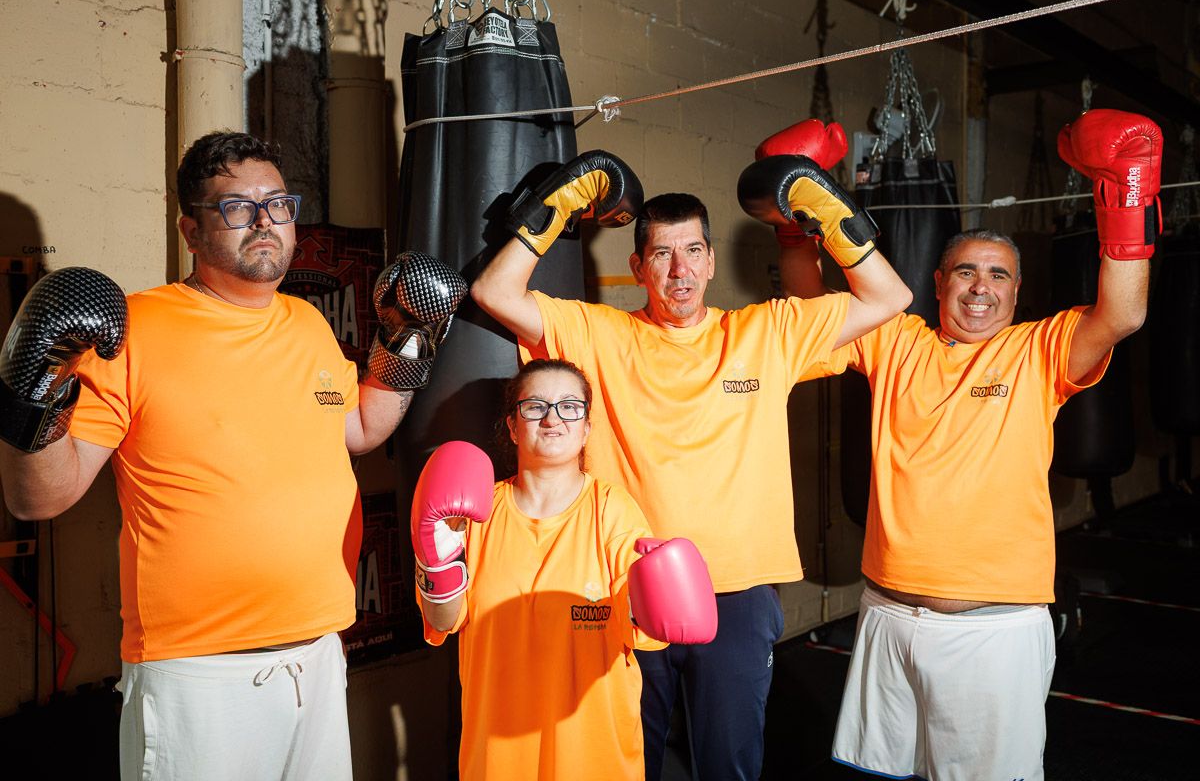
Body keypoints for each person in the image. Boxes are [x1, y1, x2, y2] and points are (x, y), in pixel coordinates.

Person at [0, 131, 466, 780]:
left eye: (278, 204)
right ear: (191, 231)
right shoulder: (137, 330)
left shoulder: (307, 324)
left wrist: (406, 339)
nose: (265, 221)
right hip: (198, 675)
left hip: (318, 657)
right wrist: (34, 391)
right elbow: (39, 497)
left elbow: (360, 426)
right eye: (238, 207)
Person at [471, 137, 912, 780]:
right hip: (625, 585)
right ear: (638, 267)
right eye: (662, 254)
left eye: (693, 252)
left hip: (737, 591)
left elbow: (888, 298)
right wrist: (557, 204)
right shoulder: (601, 334)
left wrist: (828, 209)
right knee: (627, 764)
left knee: (729, 765)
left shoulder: (765, 333)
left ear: (709, 262)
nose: (679, 270)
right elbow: (494, 290)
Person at [766, 108, 1159, 780]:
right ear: (939, 282)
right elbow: (813, 309)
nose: (981, 288)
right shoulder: (898, 341)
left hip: (992, 633)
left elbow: (1123, 313)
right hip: (887, 618)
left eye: (998, 275)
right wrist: (790, 215)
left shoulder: (1039, 349)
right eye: (966, 272)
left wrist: (1129, 193)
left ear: (1017, 291)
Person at [414, 358, 716, 781]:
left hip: (591, 754)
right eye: (535, 406)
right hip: (498, 753)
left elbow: (644, 625)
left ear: (586, 428)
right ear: (513, 426)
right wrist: (436, 558)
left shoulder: (612, 510)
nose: (552, 418)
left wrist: (656, 597)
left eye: (569, 407)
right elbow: (442, 620)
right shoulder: (478, 514)